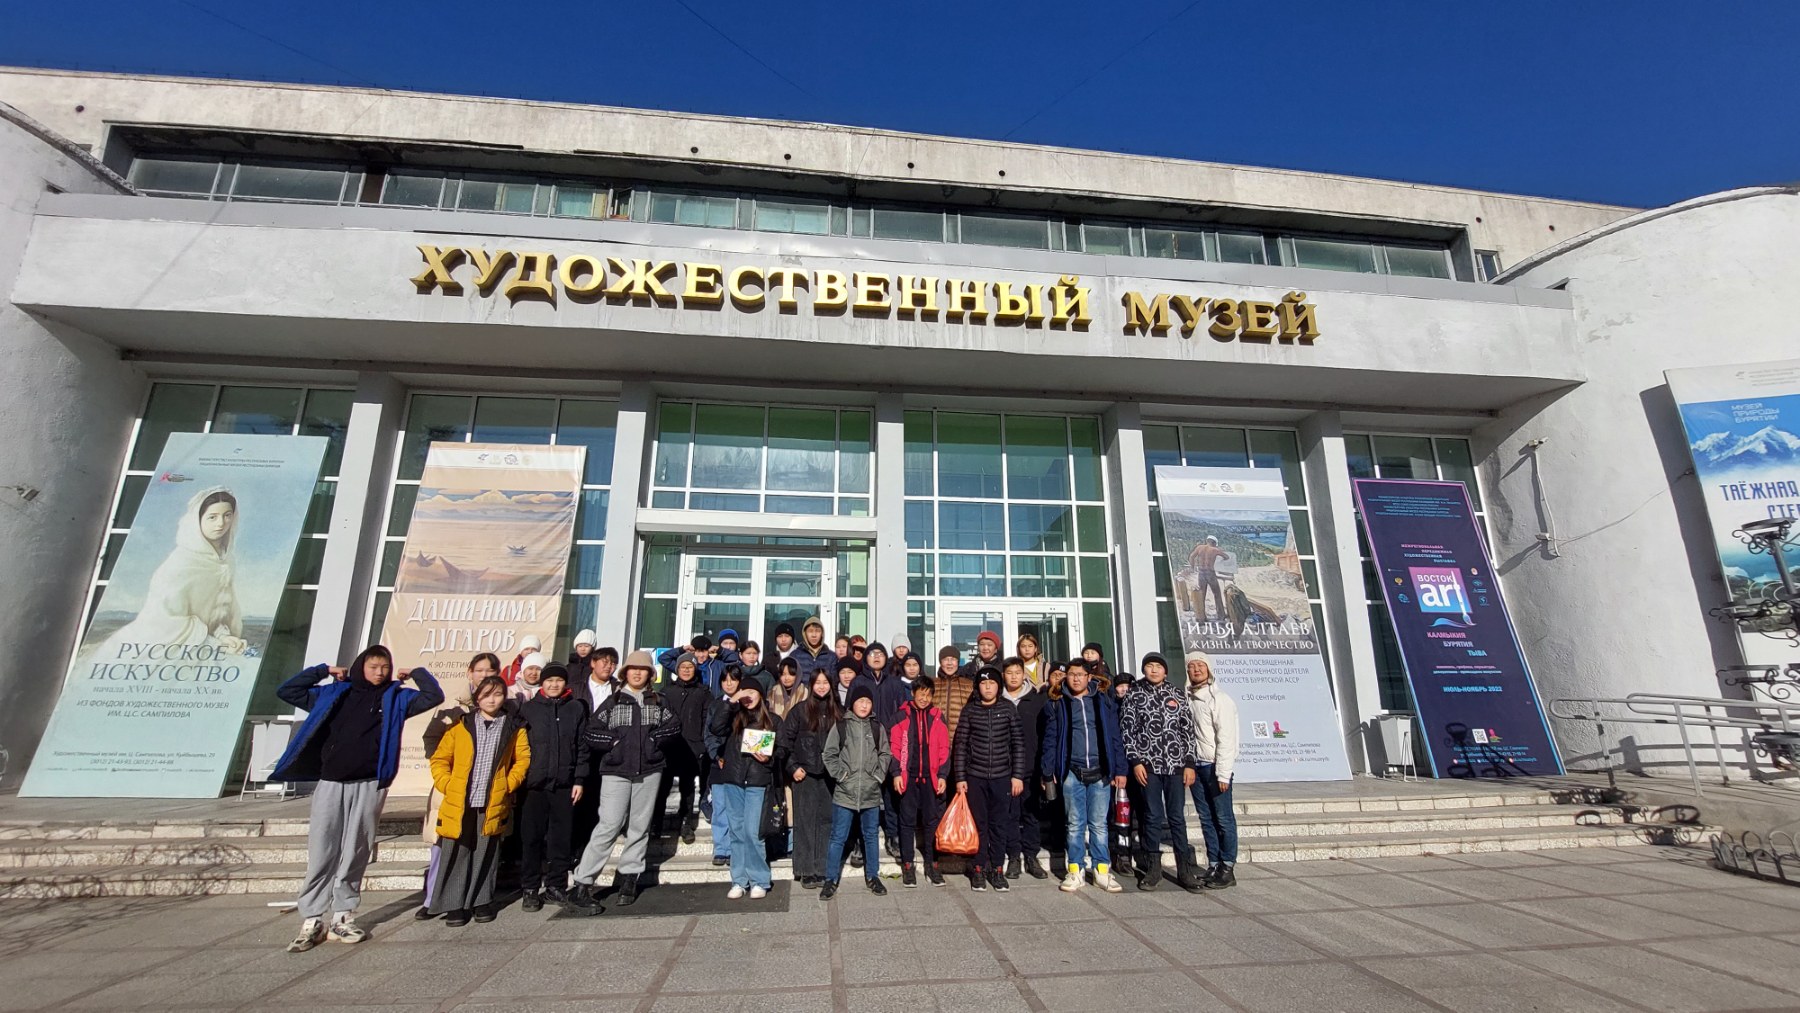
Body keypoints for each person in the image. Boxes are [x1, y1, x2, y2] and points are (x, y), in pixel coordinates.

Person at [275, 646, 444, 951]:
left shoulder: (396, 696)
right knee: (322, 847)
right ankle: (312, 918)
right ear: (360, 667)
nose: (379, 672)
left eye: (384, 667)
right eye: (373, 666)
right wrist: (323, 670)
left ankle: (343, 916)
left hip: (370, 783)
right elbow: (288, 690)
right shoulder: (333, 693)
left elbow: (433, 696)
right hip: (331, 781)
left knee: (357, 847)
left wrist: (415, 674)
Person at [565, 651, 682, 913]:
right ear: (625, 673)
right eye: (633, 669)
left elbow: (674, 727)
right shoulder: (613, 701)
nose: (638, 673)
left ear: (651, 674)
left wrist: (654, 743)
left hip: (649, 770)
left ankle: (630, 877)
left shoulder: (658, 701)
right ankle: (583, 882)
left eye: (643, 669)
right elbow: (592, 732)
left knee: (639, 826)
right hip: (616, 771)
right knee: (609, 824)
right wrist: (614, 744)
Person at [92, 486, 246, 659]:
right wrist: (213, 643)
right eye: (212, 517)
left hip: (206, 641)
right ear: (197, 520)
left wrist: (223, 636)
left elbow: (217, 611)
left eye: (227, 516)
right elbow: (166, 620)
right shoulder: (180, 564)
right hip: (167, 644)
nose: (221, 524)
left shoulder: (227, 561)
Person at [425, 674, 530, 925]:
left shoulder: (514, 727)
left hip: (492, 799)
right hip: (460, 800)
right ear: (477, 698)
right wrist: (447, 784)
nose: (492, 700)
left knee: (486, 852)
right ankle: (455, 904)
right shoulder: (461, 726)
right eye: (485, 695)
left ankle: (482, 900)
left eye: (497, 694)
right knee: (456, 851)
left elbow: (522, 760)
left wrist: (508, 783)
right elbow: (440, 759)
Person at [1120, 652, 1206, 893]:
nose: (1154, 670)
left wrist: (1189, 763)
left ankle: (1184, 869)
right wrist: (1135, 761)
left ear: (1165, 671)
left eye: (1158, 666)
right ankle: (1152, 868)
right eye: (1149, 666)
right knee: (1152, 815)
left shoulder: (1177, 694)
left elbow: (1187, 732)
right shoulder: (1134, 695)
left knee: (1176, 817)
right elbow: (1127, 731)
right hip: (1148, 767)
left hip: (1176, 767)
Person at [1041, 658, 1128, 893]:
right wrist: (1047, 770)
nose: (1076, 678)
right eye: (1071, 674)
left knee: (1099, 825)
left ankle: (1101, 871)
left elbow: (1114, 737)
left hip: (1100, 772)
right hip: (1072, 772)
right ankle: (1075, 870)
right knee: (1074, 824)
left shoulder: (1103, 701)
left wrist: (1120, 769)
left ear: (1090, 677)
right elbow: (1050, 740)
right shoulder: (1058, 704)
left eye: (1081, 674)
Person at [418, 652, 494, 916]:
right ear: (470, 672)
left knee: (477, 843)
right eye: (480, 670)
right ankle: (432, 899)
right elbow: (432, 743)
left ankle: (470, 898)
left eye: (490, 671)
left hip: (484, 789)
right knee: (443, 844)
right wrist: (446, 778)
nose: (485, 675)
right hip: (451, 789)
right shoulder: (453, 710)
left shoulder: (502, 710)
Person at [517, 664, 589, 911]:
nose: (554, 685)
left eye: (559, 680)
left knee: (561, 838)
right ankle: (529, 888)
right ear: (542, 684)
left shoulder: (575, 708)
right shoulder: (528, 709)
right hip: (534, 785)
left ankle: (556, 886)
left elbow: (582, 746)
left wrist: (579, 779)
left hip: (565, 783)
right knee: (532, 838)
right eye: (549, 681)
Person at [951, 667, 1025, 893]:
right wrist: (960, 777)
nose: (988, 687)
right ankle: (978, 869)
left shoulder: (1008, 708)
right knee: (979, 825)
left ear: (998, 686)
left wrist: (1017, 776)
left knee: (999, 825)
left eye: (992, 684)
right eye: (983, 684)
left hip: (1003, 776)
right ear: (978, 687)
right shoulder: (970, 710)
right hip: (976, 776)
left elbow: (1018, 744)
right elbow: (960, 745)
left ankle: (998, 869)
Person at [821, 684, 891, 900]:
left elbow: (885, 754)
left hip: (870, 793)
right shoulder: (841, 726)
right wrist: (841, 776)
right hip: (845, 793)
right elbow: (829, 754)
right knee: (838, 837)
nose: (864, 705)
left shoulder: (877, 727)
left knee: (870, 836)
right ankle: (830, 879)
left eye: (868, 702)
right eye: (860, 701)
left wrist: (877, 777)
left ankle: (873, 876)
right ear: (852, 703)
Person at [710, 679, 778, 899]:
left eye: (752, 692)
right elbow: (715, 727)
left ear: (760, 694)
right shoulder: (733, 718)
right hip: (733, 780)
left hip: (758, 781)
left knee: (753, 832)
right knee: (737, 832)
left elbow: (783, 750)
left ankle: (760, 879)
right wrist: (731, 702)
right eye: (744, 692)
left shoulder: (772, 720)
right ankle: (739, 880)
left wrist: (769, 757)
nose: (748, 697)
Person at [777, 669, 838, 889]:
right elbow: (785, 742)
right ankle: (805, 870)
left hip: (830, 776)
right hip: (805, 775)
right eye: (817, 682)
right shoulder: (799, 711)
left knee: (826, 821)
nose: (821, 686)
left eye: (825, 682)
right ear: (811, 685)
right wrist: (792, 767)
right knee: (805, 821)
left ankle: (821, 868)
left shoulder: (837, 711)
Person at [1185, 651, 1240, 890]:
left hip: (1214, 767)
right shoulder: (1187, 697)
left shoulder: (1220, 700)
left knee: (1224, 819)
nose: (1196, 670)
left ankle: (1227, 867)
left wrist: (1223, 773)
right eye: (1192, 666)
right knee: (1206, 819)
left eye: (1201, 665)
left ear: (1209, 669)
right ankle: (1214, 863)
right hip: (1196, 766)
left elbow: (1227, 739)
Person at [890, 676, 949, 887]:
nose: (924, 698)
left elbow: (944, 748)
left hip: (931, 779)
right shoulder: (901, 716)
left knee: (931, 822)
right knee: (906, 822)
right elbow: (894, 746)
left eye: (928, 694)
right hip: (908, 777)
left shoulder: (937, 717)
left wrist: (942, 775)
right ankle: (908, 866)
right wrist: (896, 772)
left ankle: (932, 865)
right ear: (913, 693)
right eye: (920, 694)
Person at [1000, 657, 1051, 881]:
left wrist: (1044, 769)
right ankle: (1013, 857)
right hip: (1003, 768)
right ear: (1004, 675)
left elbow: (1046, 736)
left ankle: (1031, 856)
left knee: (1031, 815)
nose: (1013, 676)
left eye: (1017, 672)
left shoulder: (1037, 700)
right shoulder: (997, 700)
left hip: (1031, 767)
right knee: (1009, 815)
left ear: (1024, 675)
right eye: (1009, 672)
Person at [653, 652, 711, 843]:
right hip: (669, 746)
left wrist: (702, 744)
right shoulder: (667, 692)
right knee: (663, 787)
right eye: (683, 667)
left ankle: (686, 823)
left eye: (690, 667)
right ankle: (656, 823)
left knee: (688, 788)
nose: (686, 670)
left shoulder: (703, 692)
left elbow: (706, 720)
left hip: (692, 746)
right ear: (677, 669)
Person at [703, 666, 749, 867]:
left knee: (739, 809)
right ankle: (722, 848)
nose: (729, 683)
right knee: (720, 807)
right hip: (720, 762)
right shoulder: (715, 705)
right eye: (725, 680)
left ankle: (738, 848)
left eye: (733, 679)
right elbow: (710, 733)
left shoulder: (747, 703)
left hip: (742, 763)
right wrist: (716, 754)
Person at [934, 645, 975, 743]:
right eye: (945, 659)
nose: (949, 663)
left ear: (958, 662)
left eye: (953, 659)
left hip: (960, 743)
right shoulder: (932, 684)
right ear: (940, 662)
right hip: (936, 742)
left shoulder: (969, 685)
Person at [1187, 536, 1229, 621]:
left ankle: (1201, 616)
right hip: (1210, 573)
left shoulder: (1199, 547)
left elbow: (1191, 557)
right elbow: (1226, 557)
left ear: (1207, 541)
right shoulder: (1215, 550)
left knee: (1202, 594)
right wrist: (1219, 560)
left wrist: (1192, 567)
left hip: (1201, 573)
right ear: (1214, 543)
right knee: (1217, 594)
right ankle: (1221, 615)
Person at [792, 616, 838, 684]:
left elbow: (834, 683)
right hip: (803, 694)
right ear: (805, 633)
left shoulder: (831, 657)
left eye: (817, 631)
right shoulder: (795, 655)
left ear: (822, 633)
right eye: (810, 631)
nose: (814, 635)